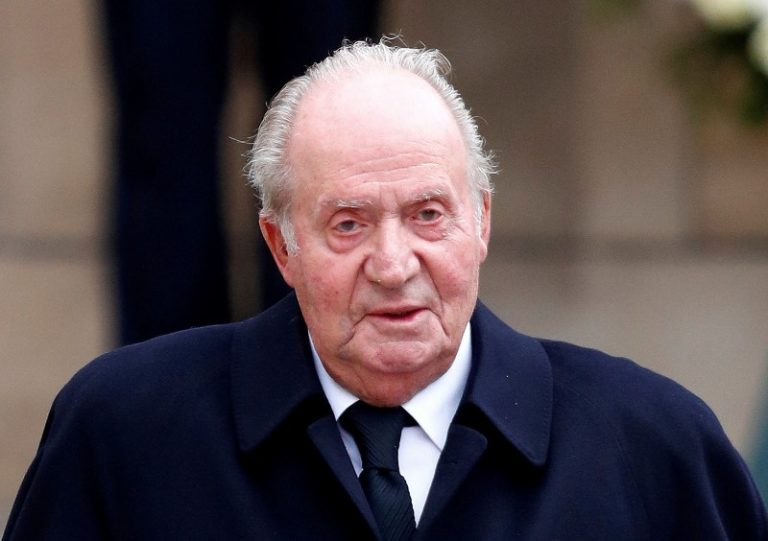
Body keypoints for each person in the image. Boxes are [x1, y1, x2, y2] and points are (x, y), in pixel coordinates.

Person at [4, 39, 767, 540]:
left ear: (482, 221)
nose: (394, 263)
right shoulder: (122, 436)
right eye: (348, 224)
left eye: (428, 214)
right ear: (281, 245)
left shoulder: (653, 447)